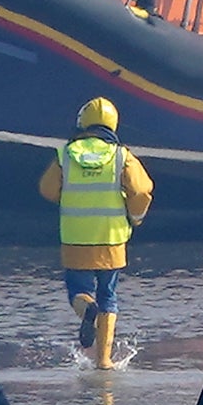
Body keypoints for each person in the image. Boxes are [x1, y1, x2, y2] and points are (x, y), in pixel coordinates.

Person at [38, 97, 151, 368]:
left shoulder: (66, 154)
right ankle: (103, 360)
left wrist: (72, 199)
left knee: (78, 291)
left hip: (76, 239)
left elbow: (47, 189)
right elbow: (141, 190)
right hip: (111, 240)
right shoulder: (122, 156)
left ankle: (85, 308)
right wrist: (135, 218)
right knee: (108, 296)